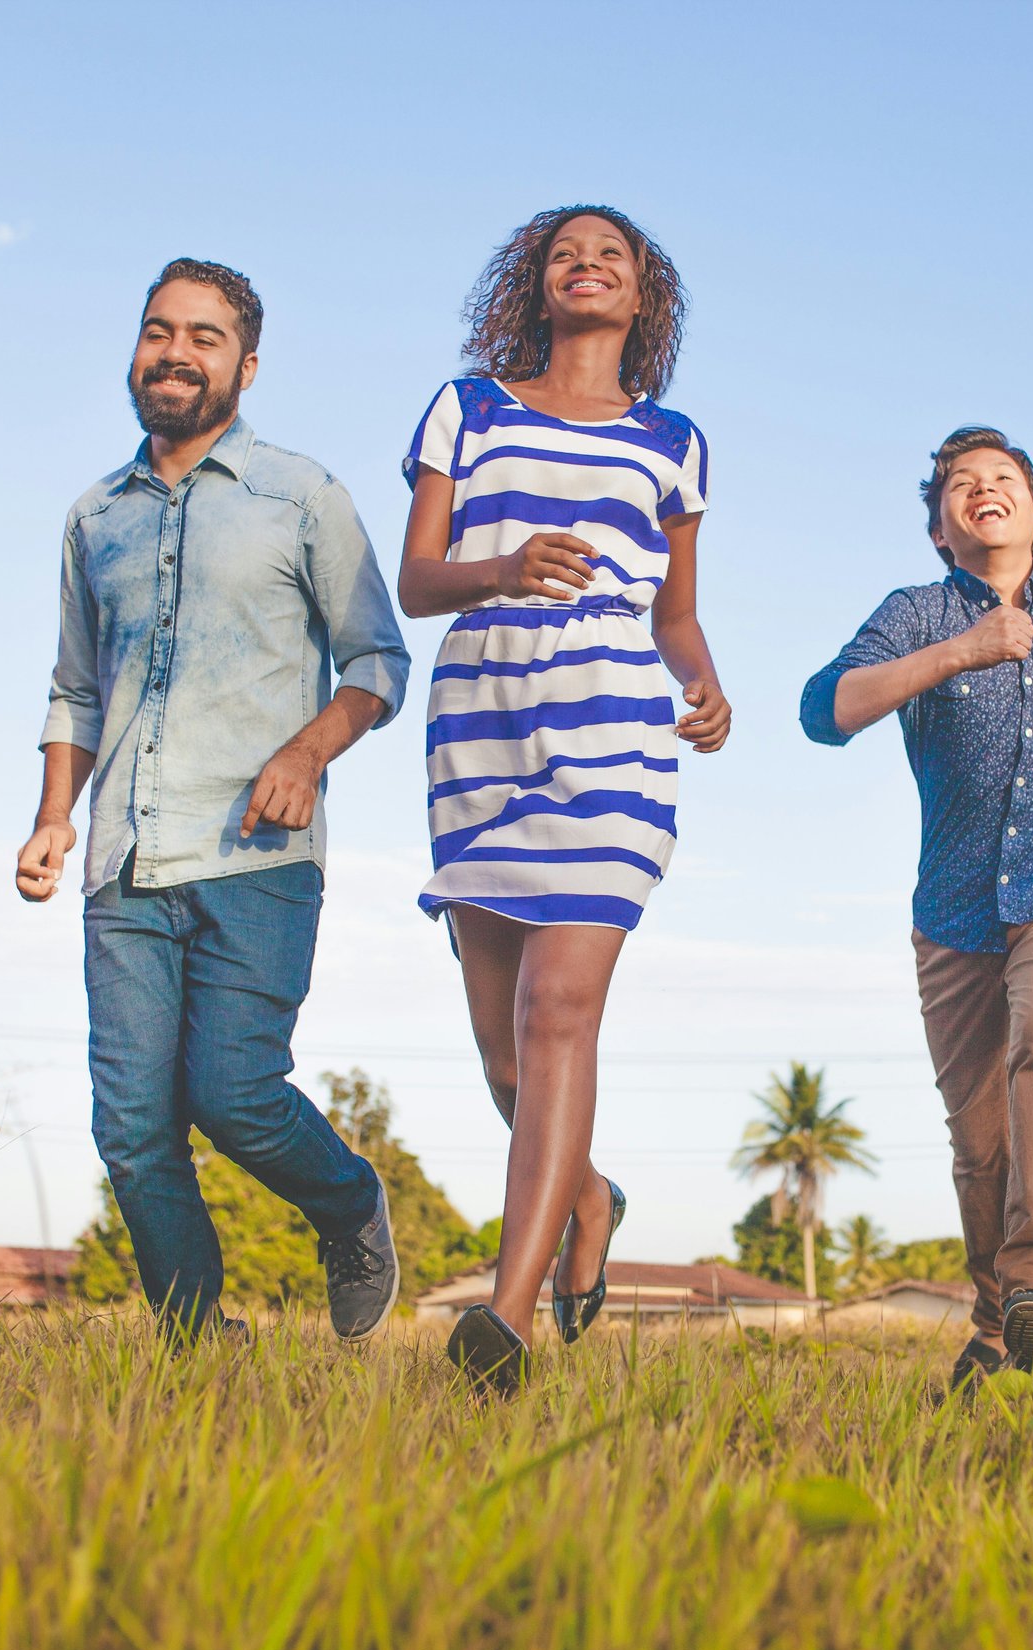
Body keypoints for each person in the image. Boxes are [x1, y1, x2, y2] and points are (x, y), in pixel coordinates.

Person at [15, 259, 411, 1345]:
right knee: (134, 1125)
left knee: (234, 1092)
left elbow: (379, 657)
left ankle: (348, 1203)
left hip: (258, 853)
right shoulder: (93, 515)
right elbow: (74, 687)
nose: (175, 353)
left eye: (203, 335)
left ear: (245, 362)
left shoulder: (301, 493)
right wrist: (54, 815)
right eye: (157, 330)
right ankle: (197, 1346)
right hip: (123, 860)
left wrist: (311, 748)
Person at [396, 206, 729, 1394]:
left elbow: (674, 613)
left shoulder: (674, 439)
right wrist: (500, 567)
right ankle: (589, 1196)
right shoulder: (468, 407)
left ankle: (506, 1315)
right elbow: (417, 578)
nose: (587, 264)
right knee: (501, 1054)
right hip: (479, 720)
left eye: (613, 255)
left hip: (612, 728)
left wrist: (702, 684)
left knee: (556, 1016)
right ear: (535, 288)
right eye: (563, 253)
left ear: (643, 296)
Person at [802, 428, 1033, 1389]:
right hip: (953, 912)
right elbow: (823, 709)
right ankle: (1001, 1325)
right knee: (979, 1138)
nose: (984, 490)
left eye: (1003, 479)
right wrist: (960, 653)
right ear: (941, 531)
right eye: (961, 486)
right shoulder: (918, 613)